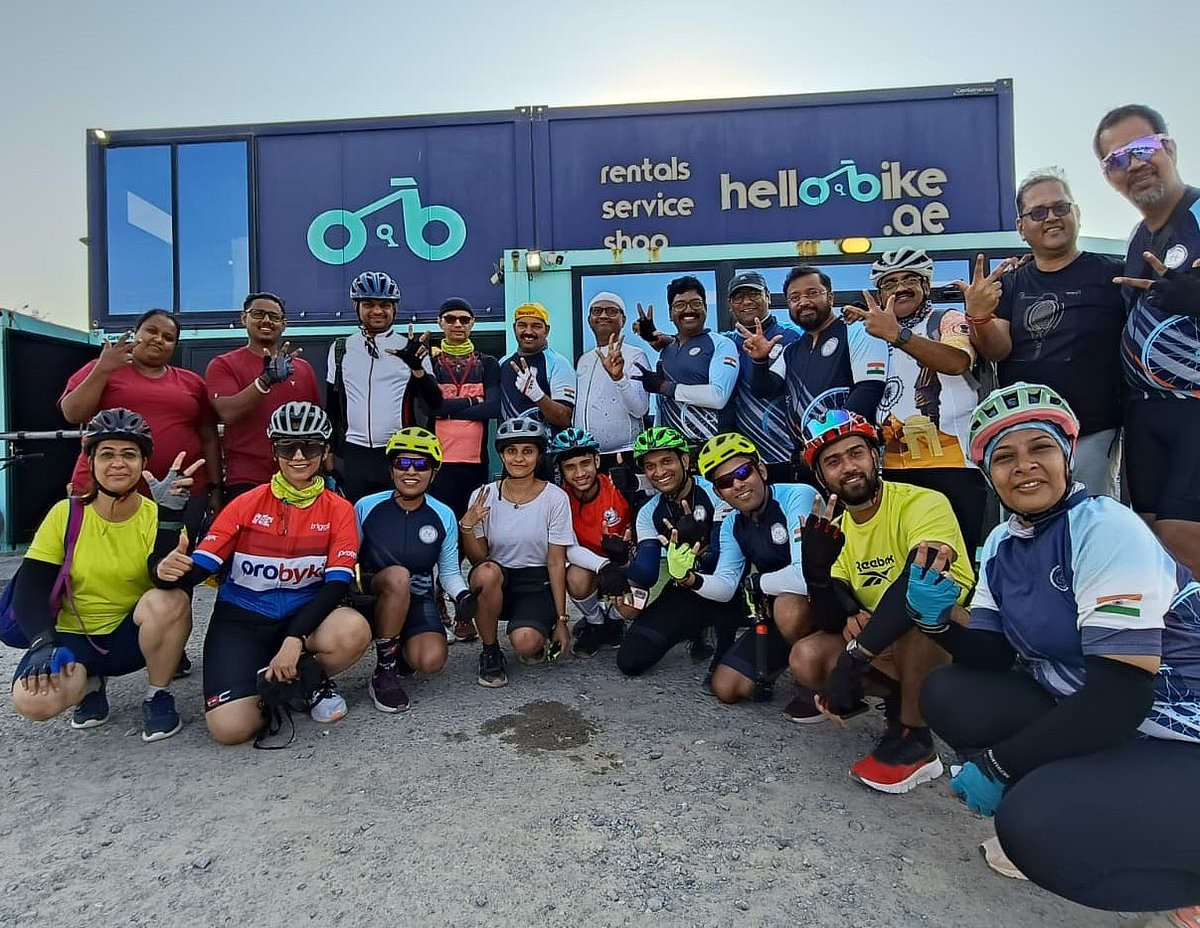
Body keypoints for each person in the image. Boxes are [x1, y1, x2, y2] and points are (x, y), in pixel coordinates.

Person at [917, 382, 1200, 921]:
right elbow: (990, 654)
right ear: (987, 474)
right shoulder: (1004, 540)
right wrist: (932, 620)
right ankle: (1101, 795)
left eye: (1039, 448)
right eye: (1004, 457)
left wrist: (1001, 765)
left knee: (1034, 828)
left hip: (1177, 722)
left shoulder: (1106, 528)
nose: (1023, 466)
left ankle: (1183, 865)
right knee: (951, 693)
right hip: (1112, 711)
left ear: (1067, 454)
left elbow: (1120, 695)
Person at [154, 402, 371, 745]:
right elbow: (195, 571)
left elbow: (336, 584)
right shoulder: (245, 503)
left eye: (310, 446)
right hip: (241, 620)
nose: (299, 456)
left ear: (325, 450)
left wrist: (294, 638)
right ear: (274, 450)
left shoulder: (339, 509)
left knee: (353, 628)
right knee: (230, 730)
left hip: (304, 617)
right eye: (287, 446)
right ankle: (279, 682)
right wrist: (167, 529)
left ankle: (305, 678)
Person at [788, 409, 973, 794]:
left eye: (856, 453)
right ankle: (902, 703)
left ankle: (917, 742)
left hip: (955, 637)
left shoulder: (923, 501)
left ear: (875, 456)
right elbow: (828, 615)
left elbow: (924, 577)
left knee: (924, 606)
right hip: (886, 642)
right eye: (833, 462)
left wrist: (855, 658)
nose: (849, 468)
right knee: (807, 656)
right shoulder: (836, 528)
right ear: (822, 477)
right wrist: (818, 576)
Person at [9, 409, 193, 742]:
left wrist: (169, 521)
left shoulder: (159, 515)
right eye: (106, 454)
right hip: (71, 636)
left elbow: (167, 582)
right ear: (91, 462)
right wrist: (41, 642)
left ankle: (158, 694)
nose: (118, 463)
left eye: (129, 454)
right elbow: (30, 588)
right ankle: (89, 685)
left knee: (171, 600)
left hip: (129, 638)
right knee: (32, 701)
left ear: (143, 462)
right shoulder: (65, 514)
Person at [961, 169, 1125, 496]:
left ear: (1076, 214)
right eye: (1038, 212)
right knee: (1029, 533)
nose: (1051, 217)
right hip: (1023, 437)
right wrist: (978, 317)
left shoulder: (1115, 275)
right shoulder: (1011, 284)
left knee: (1088, 526)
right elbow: (998, 350)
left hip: (1092, 434)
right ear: (1021, 228)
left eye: (1060, 208)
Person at [1094, 104, 1200, 575]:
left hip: (1193, 406)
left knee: (1183, 540)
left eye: (1143, 149)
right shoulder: (1138, 238)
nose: (1134, 164)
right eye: (1117, 159)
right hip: (1145, 414)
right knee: (1153, 542)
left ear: (1169, 148)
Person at [845, 248, 989, 558]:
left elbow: (956, 362)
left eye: (910, 279)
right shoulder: (871, 334)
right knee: (905, 561)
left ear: (926, 285)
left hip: (951, 465)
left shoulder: (946, 319)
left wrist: (897, 334)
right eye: (889, 283)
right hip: (894, 468)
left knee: (954, 561)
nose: (899, 288)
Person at [60, 308, 221, 541]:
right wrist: (103, 369)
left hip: (181, 492)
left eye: (168, 337)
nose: (158, 339)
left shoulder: (192, 382)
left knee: (171, 562)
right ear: (136, 334)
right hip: (106, 489)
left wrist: (215, 489)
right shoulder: (103, 368)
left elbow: (208, 437)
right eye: (151, 331)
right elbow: (72, 414)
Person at [683, 433, 821, 706]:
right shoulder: (732, 524)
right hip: (782, 610)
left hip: (826, 602)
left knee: (787, 605)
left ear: (762, 470)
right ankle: (793, 658)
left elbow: (804, 576)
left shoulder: (798, 496)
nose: (737, 484)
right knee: (726, 687)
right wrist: (688, 577)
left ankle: (816, 680)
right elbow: (725, 586)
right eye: (724, 482)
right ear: (718, 492)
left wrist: (757, 583)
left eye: (743, 472)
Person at [354, 428, 476, 713]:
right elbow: (349, 559)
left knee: (431, 659)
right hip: (373, 596)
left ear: (434, 473)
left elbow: (447, 573)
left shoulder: (443, 514)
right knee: (399, 576)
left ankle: (400, 654)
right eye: (402, 463)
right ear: (391, 469)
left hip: (417, 597)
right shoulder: (366, 506)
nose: (411, 471)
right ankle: (384, 670)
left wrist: (462, 596)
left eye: (421, 465)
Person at [616, 426, 742, 683]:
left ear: (685, 460)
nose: (659, 472)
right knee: (630, 661)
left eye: (666, 461)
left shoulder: (718, 492)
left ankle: (725, 636)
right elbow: (647, 574)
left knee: (722, 683)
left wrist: (699, 544)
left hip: (729, 586)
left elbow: (722, 558)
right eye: (650, 466)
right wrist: (618, 567)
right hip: (686, 588)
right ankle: (695, 628)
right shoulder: (649, 512)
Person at [741, 265, 888, 483]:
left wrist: (826, 441)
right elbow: (764, 389)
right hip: (809, 460)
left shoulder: (858, 330)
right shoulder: (792, 350)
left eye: (812, 293)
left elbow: (869, 389)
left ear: (830, 296)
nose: (803, 302)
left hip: (849, 460)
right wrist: (760, 360)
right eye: (794, 297)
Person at [459, 419, 576, 688]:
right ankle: (490, 650)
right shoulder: (483, 495)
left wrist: (561, 619)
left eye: (528, 451)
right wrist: (468, 525)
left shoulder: (555, 498)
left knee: (526, 643)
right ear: (501, 454)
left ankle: (537, 629)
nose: (519, 458)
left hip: (537, 582)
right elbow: (479, 560)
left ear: (539, 455)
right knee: (486, 573)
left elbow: (556, 562)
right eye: (512, 451)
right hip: (500, 579)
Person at [325, 271, 442, 501]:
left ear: (394, 309)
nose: (377, 311)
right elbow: (332, 406)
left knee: (395, 520)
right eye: (369, 304)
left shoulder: (411, 348)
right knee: (357, 521)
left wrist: (417, 369)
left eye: (385, 305)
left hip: (398, 451)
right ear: (356, 306)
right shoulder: (341, 348)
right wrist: (328, 450)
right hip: (354, 452)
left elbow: (434, 405)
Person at [205, 292, 321, 500]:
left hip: (299, 476)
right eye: (258, 314)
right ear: (244, 318)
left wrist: (326, 469)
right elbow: (227, 413)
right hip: (247, 478)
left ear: (284, 324)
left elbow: (318, 425)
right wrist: (265, 380)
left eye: (274, 317)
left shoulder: (303, 369)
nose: (266, 320)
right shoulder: (223, 364)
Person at [547, 428, 632, 657]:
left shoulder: (619, 487)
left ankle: (615, 620)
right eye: (570, 467)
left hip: (623, 562)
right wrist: (604, 566)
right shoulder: (559, 499)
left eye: (585, 463)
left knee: (636, 596)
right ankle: (596, 623)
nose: (580, 473)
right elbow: (568, 548)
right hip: (591, 567)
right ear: (561, 471)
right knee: (574, 576)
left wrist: (624, 560)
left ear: (596, 460)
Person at [632, 276, 739, 446]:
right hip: (673, 451)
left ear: (705, 308)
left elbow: (718, 397)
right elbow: (662, 405)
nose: (688, 310)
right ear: (670, 313)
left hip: (713, 449)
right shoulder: (667, 348)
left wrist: (664, 387)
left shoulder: (722, 344)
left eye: (696, 303)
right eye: (680, 305)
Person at [721, 272, 803, 482]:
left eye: (753, 294)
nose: (746, 301)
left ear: (768, 296)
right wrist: (662, 340)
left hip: (792, 454)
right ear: (730, 305)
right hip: (747, 460)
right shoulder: (724, 343)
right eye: (738, 297)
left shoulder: (793, 336)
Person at [426, 297, 501, 521]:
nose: (457, 324)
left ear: (472, 323)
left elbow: (492, 408)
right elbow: (428, 408)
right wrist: (472, 402)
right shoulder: (430, 362)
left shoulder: (487, 363)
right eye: (450, 319)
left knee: (472, 523)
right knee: (443, 520)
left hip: (475, 462)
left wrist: (445, 410)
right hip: (439, 461)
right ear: (440, 322)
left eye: (464, 319)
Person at [572, 292, 650, 478]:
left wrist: (619, 378)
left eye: (611, 311)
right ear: (589, 319)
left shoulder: (635, 355)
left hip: (623, 456)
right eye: (597, 311)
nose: (603, 315)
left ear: (623, 319)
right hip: (587, 457)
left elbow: (640, 409)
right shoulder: (584, 359)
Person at [498, 302, 576, 433]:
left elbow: (565, 418)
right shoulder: (503, 363)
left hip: (548, 450)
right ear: (514, 328)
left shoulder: (558, 363)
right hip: (510, 450)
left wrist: (537, 394)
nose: (528, 331)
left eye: (536, 326)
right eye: (522, 325)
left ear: (547, 331)